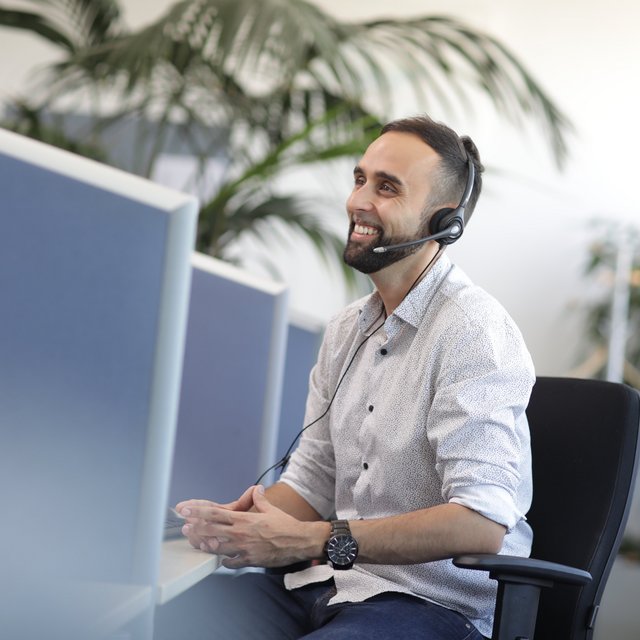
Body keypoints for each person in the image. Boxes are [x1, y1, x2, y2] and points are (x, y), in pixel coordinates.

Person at [154, 115, 535, 640]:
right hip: (321, 586)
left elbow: (481, 522)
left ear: (444, 222)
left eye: (387, 188)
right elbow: (311, 482)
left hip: (427, 604)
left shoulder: (474, 332)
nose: (359, 201)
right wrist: (237, 523)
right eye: (360, 179)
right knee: (163, 623)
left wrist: (314, 540)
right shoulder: (345, 331)